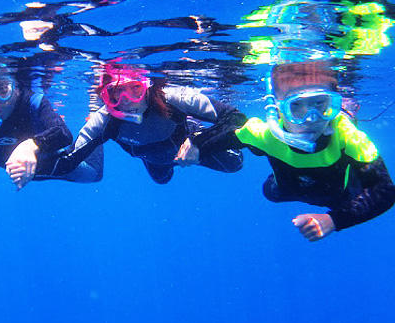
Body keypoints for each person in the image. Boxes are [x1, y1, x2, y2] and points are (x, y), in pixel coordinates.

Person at [192, 62, 395, 241]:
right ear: (277, 108)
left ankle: (347, 110)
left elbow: (385, 191)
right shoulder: (264, 134)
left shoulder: (347, 136)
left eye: (321, 104)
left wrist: (334, 220)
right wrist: (195, 147)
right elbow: (224, 138)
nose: (311, 118)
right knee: (270, 192)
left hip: (338, 198)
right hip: (284, 190)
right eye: (296, 106)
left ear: (333, 103)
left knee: (354, 195)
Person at [43, 66, 245, 185]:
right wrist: (28, 163)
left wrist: (200, 143)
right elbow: (69, 162)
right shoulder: (103, 120)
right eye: (116, 93)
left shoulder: (173, 98)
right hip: (156, 160)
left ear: (147, 87)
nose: (127, 101)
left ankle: (194, 129)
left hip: (189, 142)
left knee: (234, 163)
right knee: (161, 179)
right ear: (106, 96)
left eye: (135, 90)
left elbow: (237, 118)